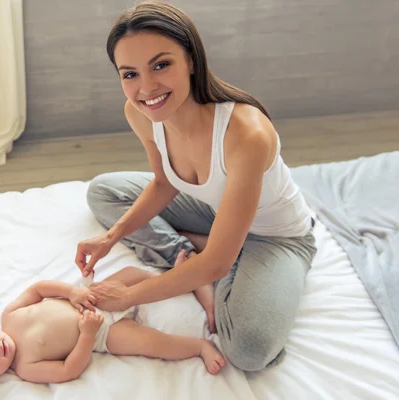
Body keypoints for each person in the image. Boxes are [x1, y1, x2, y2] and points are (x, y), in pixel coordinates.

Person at [75, 1, 317, 372]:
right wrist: (112, 237)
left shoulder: (246, 133)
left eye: (161, 65)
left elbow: (218, 263)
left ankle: (204, 265)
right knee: (104, 191)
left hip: (275, 236)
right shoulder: (139, 112)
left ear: (190, 59)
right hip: (216, 210)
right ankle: (184, 252)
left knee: (249, 351)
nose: (146, 88)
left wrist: (128, 295)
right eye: (130, 74)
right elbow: (163, 182)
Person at [0, 264, 225, 389]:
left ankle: (180, 277)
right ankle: (199, 346)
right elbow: (68, 370)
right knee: (151, 344)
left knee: (132, 275)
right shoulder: (27, 367)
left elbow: (38, 289)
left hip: (91, 299)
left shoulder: (9, 315)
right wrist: (87, 335)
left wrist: (71, 292)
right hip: (103, 333)